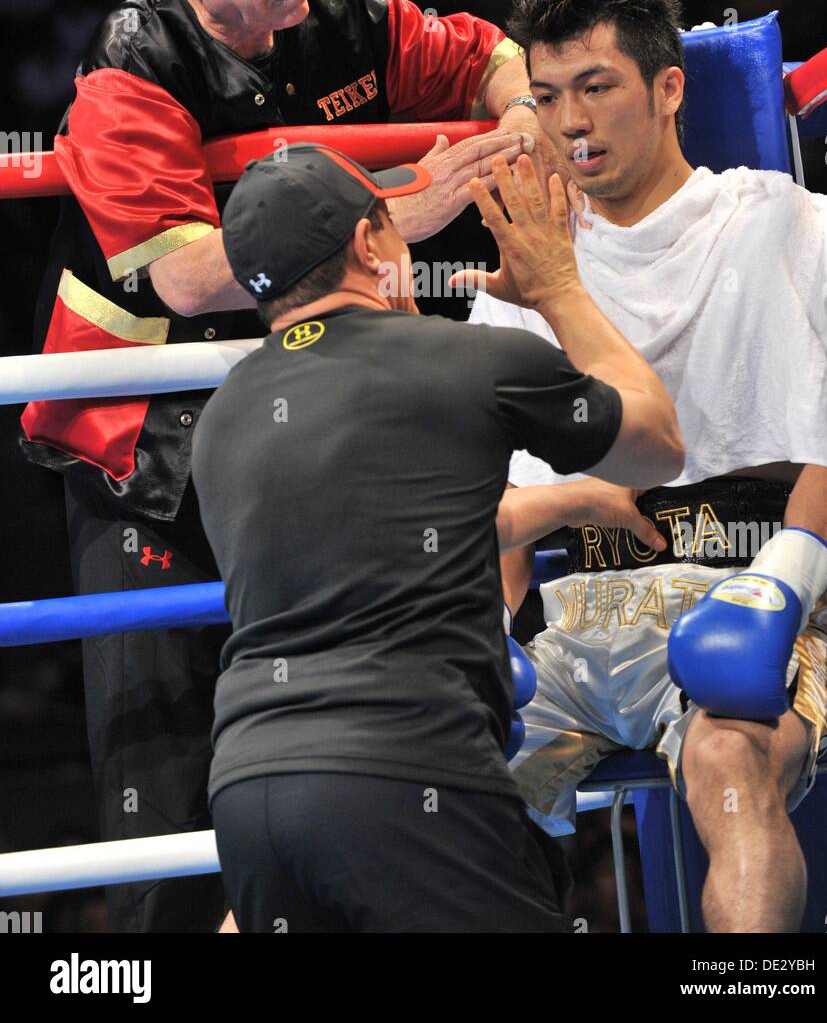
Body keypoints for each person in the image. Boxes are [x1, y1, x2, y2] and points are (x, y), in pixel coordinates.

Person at [18, 0, 554, 934]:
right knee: (162, 830)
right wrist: (401, 206)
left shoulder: (345, 7)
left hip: (308, 447)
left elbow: (480, 48)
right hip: (144, 457)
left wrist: (519, 112)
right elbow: (198, 276)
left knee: (355, 765)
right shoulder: (127, 73)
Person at [460, 0, 827, 933]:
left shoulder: (780, 223)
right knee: (412, 785)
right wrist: (478, 654)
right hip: (573, 616)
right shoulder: (522, 274)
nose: (568, 122)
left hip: (751, 584)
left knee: (728, 762)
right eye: (547, 95)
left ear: (668, 86)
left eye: (595, 87)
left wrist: (786, 579)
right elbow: (483, 506)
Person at [192, 141, 684, 933]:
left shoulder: (225, 415)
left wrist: (566, 501)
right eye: (393, 228)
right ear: (367, 246)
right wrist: (558, 291)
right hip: (407, 777)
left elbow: (391, 532)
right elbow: (657, 442)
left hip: (249, 789)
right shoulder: (471, 360)